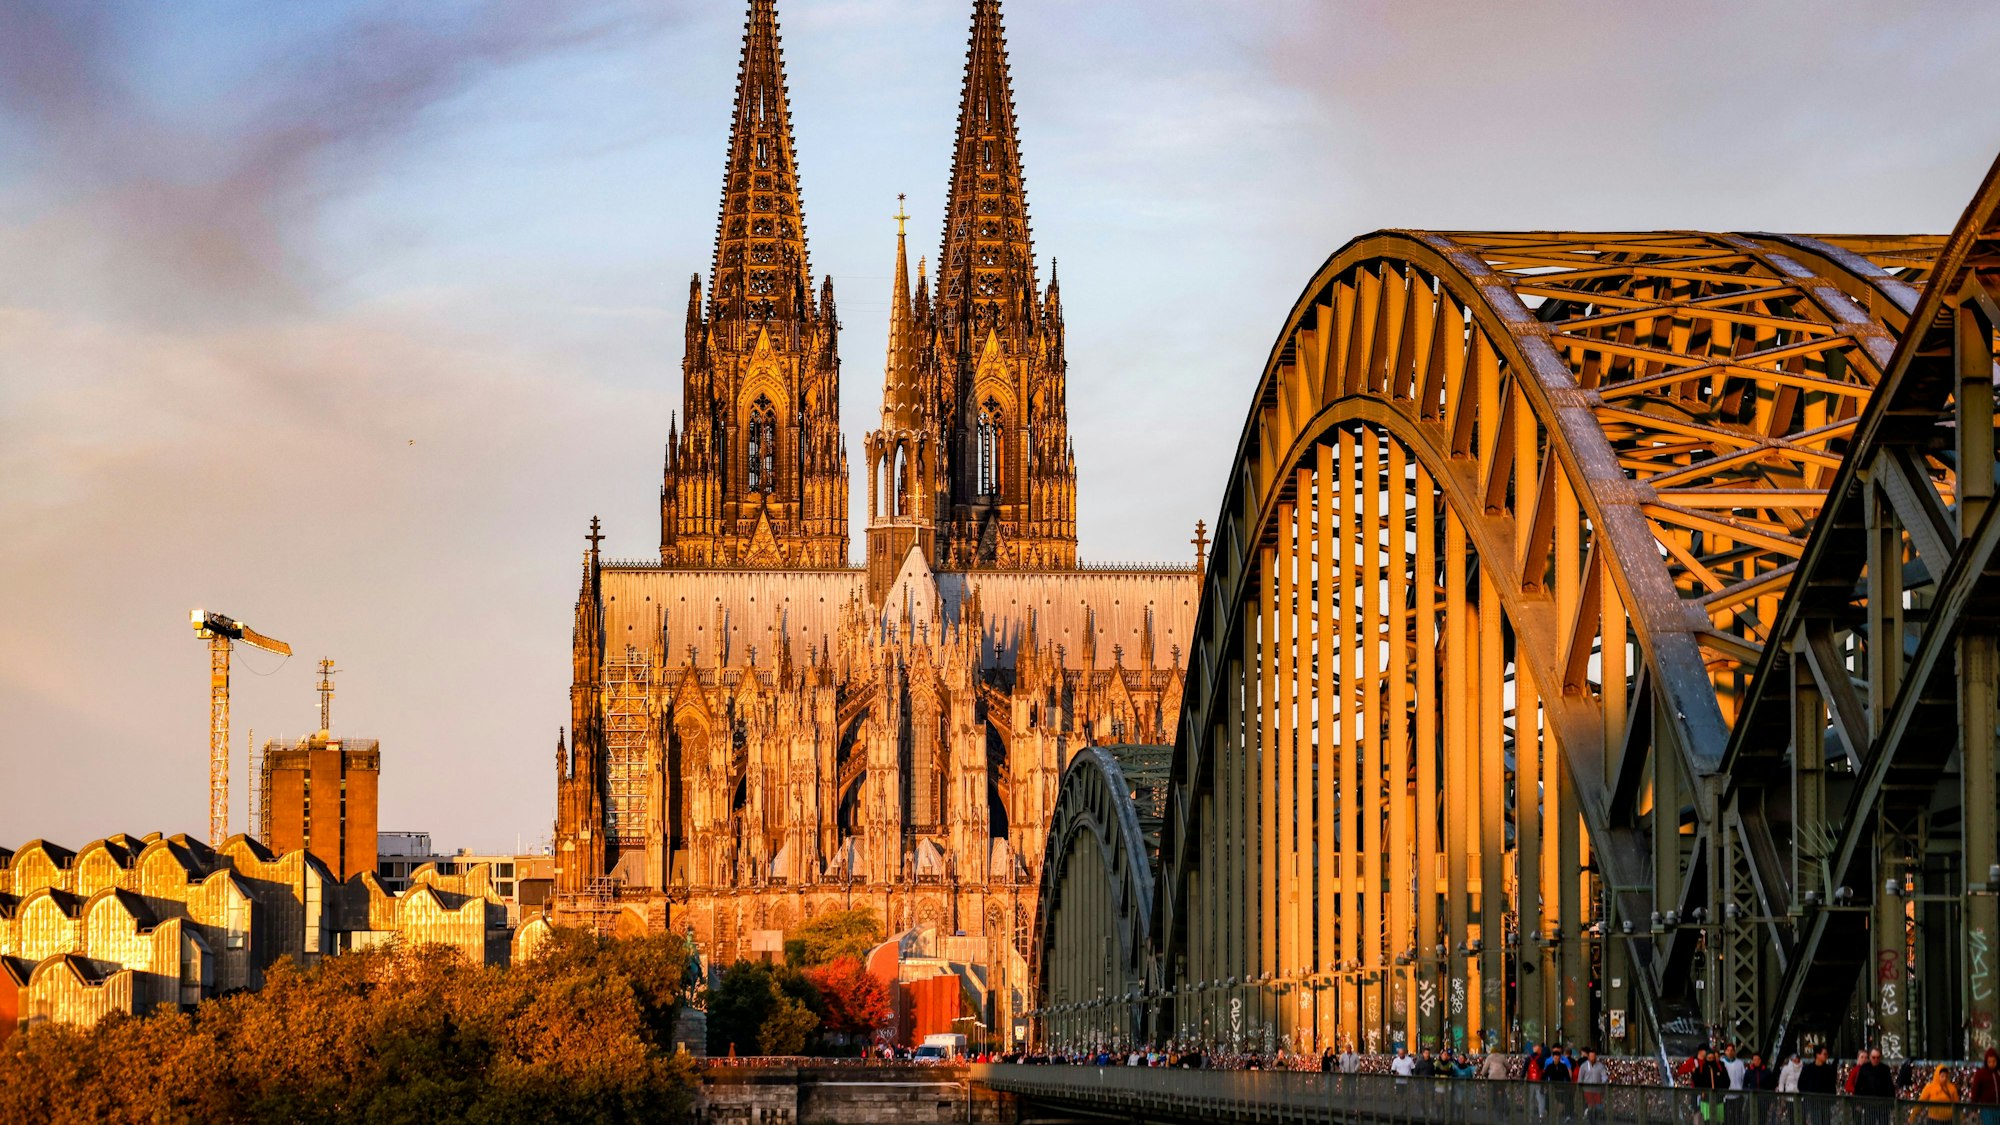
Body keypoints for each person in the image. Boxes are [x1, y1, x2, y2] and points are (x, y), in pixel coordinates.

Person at [1969, 1048, 2000, 1125]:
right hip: (1987, 1108)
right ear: (1986, 1062)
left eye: (1994, 1061)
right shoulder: (1981, 1074)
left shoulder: (1999, 1073)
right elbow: (1975, 1091)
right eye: (1989, 1062)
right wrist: (1974, 1107)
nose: (1992, 1064)